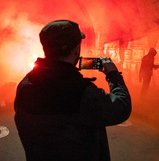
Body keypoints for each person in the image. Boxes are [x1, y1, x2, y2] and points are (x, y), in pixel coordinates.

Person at [14, 20, 132, 161]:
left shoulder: (25, 84)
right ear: (76, 49)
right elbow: (121, 108)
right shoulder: (79, 91)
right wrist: (113, 75)